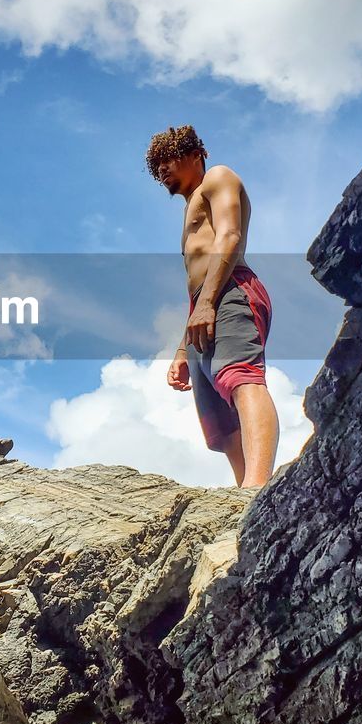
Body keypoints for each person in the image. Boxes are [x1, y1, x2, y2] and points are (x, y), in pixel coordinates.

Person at [148, 125, 280, 488]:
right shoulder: (189, 208)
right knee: (218, 425)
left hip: (231, 291)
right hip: (203, 306)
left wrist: (208, 302)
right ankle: (243, 499)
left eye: (168, 160)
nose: (161, 171)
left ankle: (257, 488)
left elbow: (230, 236)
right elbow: (196, 279)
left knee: (241, 378)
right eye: (156, 166)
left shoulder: (218, 177)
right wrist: (181, 349)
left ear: (195, 156)